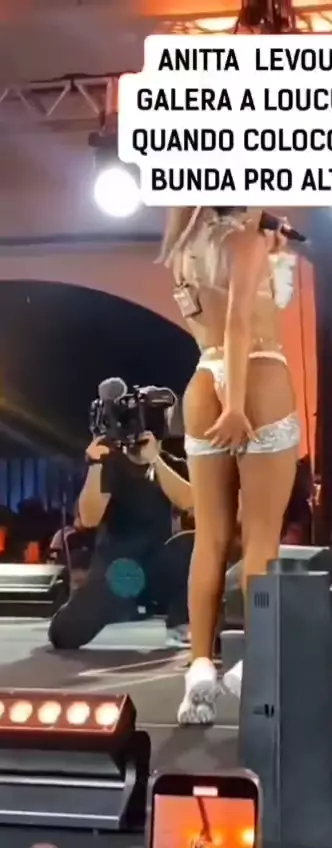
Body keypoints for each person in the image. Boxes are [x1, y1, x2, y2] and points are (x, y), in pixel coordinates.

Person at [161, 206, 300, 724]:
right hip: (256, 377)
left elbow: (218, 321)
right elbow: (240, 322)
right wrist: (237, 405)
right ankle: (257, 661)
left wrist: (273, 254)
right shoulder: (244, 242)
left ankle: (199, 665)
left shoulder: (182, 250)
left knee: (210, 538)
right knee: (261, 537)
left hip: (202, 382)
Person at [48, 431, 193, 649]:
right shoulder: (111, 464)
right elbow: (89, 519)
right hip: (119, 573)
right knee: (64, 634)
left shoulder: (170, 465)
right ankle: (88, 606)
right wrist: (96, 465)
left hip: (157, 568)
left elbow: (191, 503)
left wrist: (155, 460)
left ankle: (180, 624)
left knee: (190, 544)